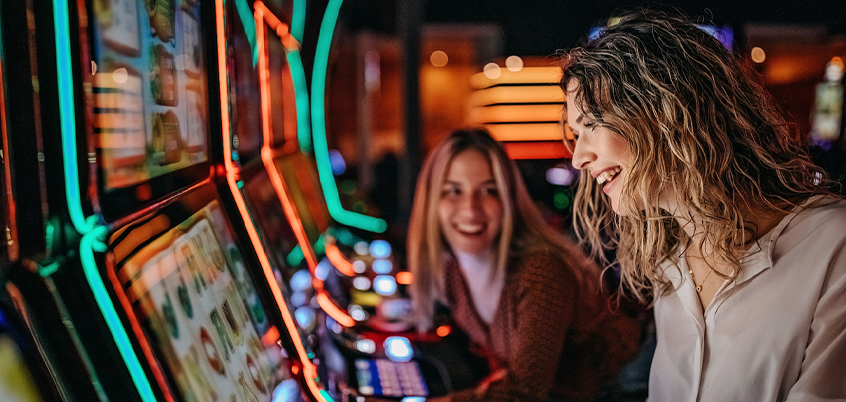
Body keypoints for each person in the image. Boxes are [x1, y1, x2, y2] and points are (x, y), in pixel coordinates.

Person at [560, 8, 846, 402]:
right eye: (575, 135)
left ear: (667, 112)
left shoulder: (833, 244)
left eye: (592, 124)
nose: (578, 158)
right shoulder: (669, 262)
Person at [407, 128, 640, 402]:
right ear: (432, 202)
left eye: (488, 191)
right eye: (453, 191)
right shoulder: (451, 275)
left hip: (624, 391)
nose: (470, 208)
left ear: (508, 201)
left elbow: (525, 393)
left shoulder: (540, 272)